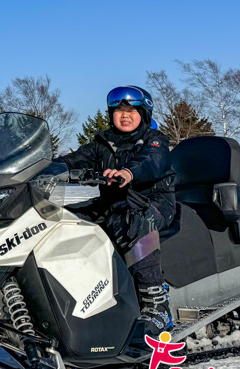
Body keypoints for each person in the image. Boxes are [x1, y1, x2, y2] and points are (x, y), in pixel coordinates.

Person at [54, 85, 176, 334]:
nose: (125, 115)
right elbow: (72, 160)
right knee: (61, 218)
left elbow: (152, 162)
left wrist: (128, 172)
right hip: (113, 203)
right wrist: (37, 168)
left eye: (131, 110)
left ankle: (157, 305)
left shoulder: (154, 140)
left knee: (135, 220)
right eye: (119, 110)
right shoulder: (102, 143)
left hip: (154, 203)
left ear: (144, 114)